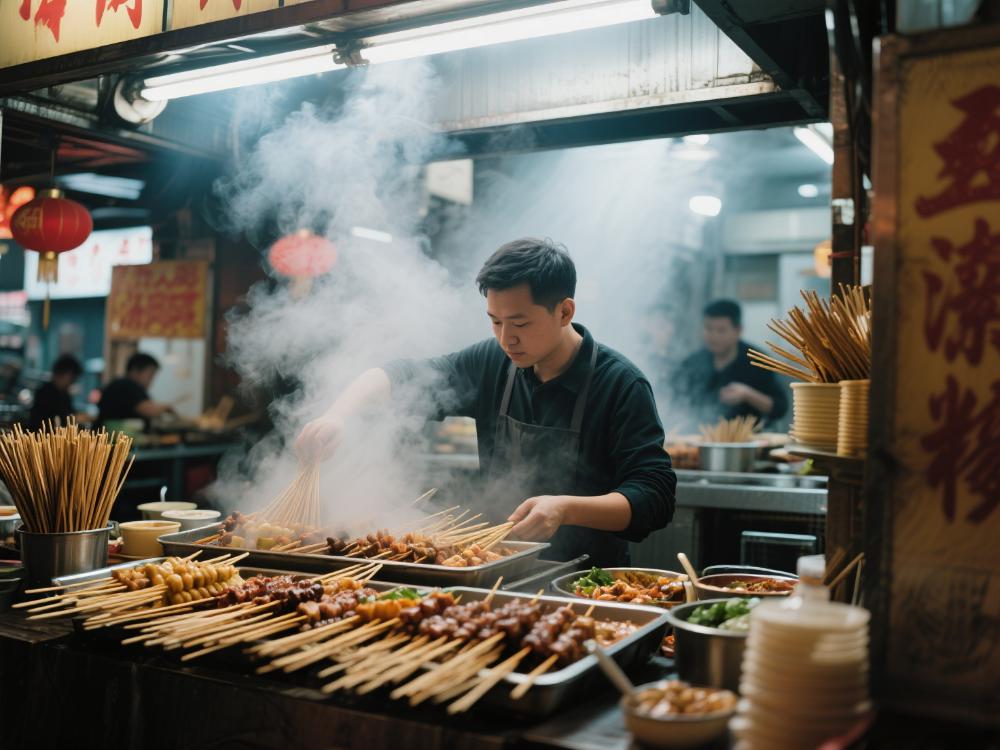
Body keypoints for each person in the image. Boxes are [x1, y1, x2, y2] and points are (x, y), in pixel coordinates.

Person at [297, 238, 676, 567]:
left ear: (564, 312)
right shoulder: (494, 361)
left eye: (520, 323)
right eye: (495, 321)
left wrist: (566, 508)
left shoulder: (620, 384)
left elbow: (654, 496)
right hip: (495, 569)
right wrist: (337, 416)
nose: (506, 338)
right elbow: (404, 375)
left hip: (581, 583)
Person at [672, 299, 788, 429]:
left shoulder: (757, 361)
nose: (713, 336)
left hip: (748, 437)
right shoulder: (692, 363)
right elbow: (675, 402)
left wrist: (748, 395)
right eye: (708, 328)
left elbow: (781, 408)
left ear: (738, 330)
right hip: (698, 436)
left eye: (721, 330)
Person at [98, 353, 174, 427]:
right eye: (150, 375)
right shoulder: (127, 385)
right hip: (114, 434)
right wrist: (166, 407)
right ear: (135, 371)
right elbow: (149, 410)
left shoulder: (123, 384)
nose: (152, 380)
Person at [29, 354, 82, 429]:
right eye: (72, 378)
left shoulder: (65, 394)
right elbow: (46, 420)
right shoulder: (45, 393)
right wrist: (75, 418)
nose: (72, 383)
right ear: (61, 374)